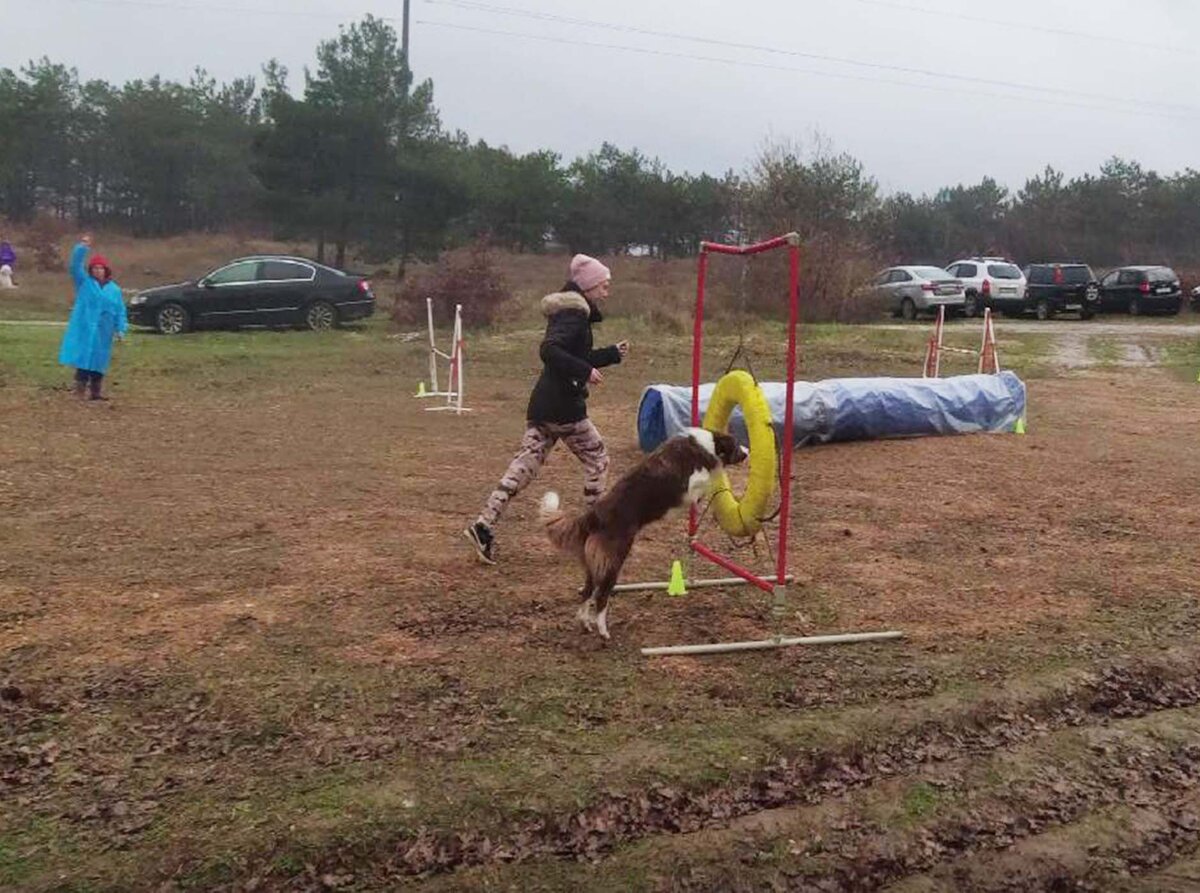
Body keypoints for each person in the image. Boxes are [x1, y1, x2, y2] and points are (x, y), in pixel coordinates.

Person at [464, 254, 630, 565]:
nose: (606, 292)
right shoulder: (574, 314)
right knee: (598, 458)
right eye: (604, 286)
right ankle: (596, 534)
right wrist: (583, 371)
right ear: (590, 286)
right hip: (564, 407)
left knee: (522, 468)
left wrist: (609, 355)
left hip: (543, 405)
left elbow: (571, 354)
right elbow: (550, 350)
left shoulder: (570, 311)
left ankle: (483, 525)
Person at [58, 235, 127, 401]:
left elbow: (119, 310)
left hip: (104, 330)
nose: (97, 271)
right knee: (84, 359)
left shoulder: (114, 289)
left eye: (100, 268)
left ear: (106, 270)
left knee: (99, 361)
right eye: (94, 268)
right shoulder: (84, 283)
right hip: (86, 328)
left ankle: (96, 392)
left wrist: (120, 328)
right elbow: (75, 266)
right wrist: (82, 248)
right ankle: (79, 392)